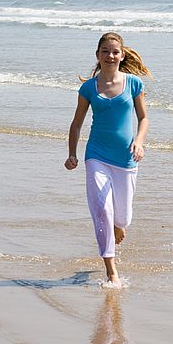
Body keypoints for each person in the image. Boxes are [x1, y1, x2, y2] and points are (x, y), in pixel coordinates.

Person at [64, 32, 152, 288]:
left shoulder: (134, 84)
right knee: (102, 209)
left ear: (122, 55)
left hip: (125, 159)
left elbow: (144, 118)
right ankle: (111, 270)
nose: (110, 56)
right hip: (97, 155)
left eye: (115, 51)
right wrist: (72, 154)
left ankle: (118, 227)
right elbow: (77, 123)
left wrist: (139, 141)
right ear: (98, 55)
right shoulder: (88, 88)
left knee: (122, 218)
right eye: (105, 51)